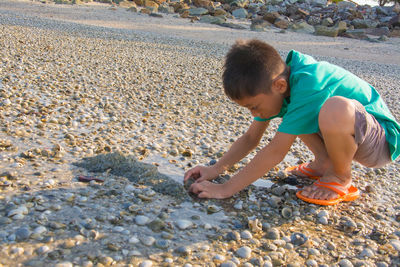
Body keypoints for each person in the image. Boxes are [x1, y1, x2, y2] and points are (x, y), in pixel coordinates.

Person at [183, 39, 400, 205]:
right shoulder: (282, 85)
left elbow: (276, 150)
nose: (253, 114)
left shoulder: (310, 83)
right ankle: (324, 162)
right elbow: (251, 137)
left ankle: (340, 175)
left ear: (278, 85)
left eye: (254, 107)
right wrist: (217, 168)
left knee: (334, 107)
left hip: (380, 141)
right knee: (295, 114)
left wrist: (226, 189)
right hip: (351, 133)